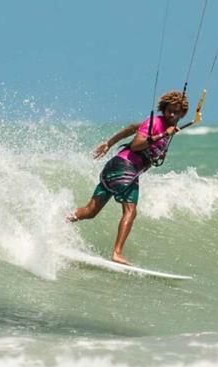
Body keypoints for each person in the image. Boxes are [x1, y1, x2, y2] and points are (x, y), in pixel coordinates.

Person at [67, 90, 188, 265]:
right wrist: (164, 135)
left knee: (90, 211)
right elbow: (137, 145)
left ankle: (60, 220)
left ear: (182, 114)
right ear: (163, 108)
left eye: (177, 112)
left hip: (117, 167)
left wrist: (108, 143)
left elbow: (131, 128)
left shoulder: (158, 125)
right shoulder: (156, 123)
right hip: (126, 167)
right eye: (169, 110)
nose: (172, 114)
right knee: (130, 211)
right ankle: (117, 253)